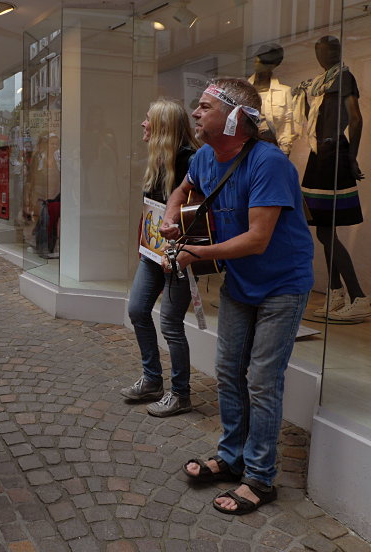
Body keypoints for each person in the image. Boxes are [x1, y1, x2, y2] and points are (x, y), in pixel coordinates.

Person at [161, 78, 314, 514]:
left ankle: (261, 479)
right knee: (228, 372)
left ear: (233, 118)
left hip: (282, 285)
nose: (195, 113)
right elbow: (182, 190)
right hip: (241, 283)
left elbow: (258, 239)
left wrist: (194, 253)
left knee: (262, 381)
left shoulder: (269, 163)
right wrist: (173, 215)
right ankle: (231, 459)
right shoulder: (207, 156)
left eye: (205, 106)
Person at [121, 99, 200, 417]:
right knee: (138, 309)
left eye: (148, 119)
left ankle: (181, 393)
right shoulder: (158, 160)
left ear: (163, 127)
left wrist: (182, 251)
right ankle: (152, 379)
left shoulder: (191, 161)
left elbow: (197, 214)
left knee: (170, 323)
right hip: (153, 253)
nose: (143, 124)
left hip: (178, 255)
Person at [294, 36, 368, 321]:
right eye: (322, 50)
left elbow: (356, 118)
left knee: (326, 231)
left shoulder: (344, 77)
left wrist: (351, 157)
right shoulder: (321, 83)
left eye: (332, 50)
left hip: (333, 154)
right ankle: (336, 292)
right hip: (321, 155)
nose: (326, 55)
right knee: (325, 230)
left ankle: (359, 296)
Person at [247, 43, 296, 156]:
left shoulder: (284, 92)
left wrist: (285, 151)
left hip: (269, 145)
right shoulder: (244, 89)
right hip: (245, 144)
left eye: (263, 61)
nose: (257, 63)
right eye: (257, 59)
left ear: (273, 65)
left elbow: (286, 125)